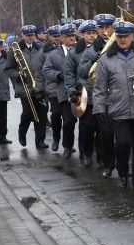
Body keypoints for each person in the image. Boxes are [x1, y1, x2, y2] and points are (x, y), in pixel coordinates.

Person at [92, 21, 134, 191]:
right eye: (120, 36)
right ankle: (123, 172)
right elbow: (100, 88)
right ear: (116, 36)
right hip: (118, 109)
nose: (123, 39)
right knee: (122, 144)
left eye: (126, 36)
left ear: (132, 36)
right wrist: (99, 108)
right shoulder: (106, 58)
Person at [78, 13, 118, 177]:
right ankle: (106, 163)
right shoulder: (90, 49)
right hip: (101, 96)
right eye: (100, 28)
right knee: (105, 133)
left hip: (119, 96)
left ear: (112, 28)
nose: (103, 30)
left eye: (107, 27)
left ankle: (124, 165)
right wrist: (92, 61)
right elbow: (81, 71)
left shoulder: (120, 44)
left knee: (123, 135)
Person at [6, 24, 47, 149]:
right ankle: (22, 132)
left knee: (42, 113)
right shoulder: (16, 49)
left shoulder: (40, 47)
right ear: (23, 36)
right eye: (28, 36)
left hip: (40, 85)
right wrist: (18, 75)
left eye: (32, 35)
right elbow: (8, 69)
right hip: (24, 86)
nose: (30, 38)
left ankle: (40, 141)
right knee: (28, 113)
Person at [65, 20, 98, 166]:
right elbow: (69, 73)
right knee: (87, 126)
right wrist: (72, 91)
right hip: (83, 93)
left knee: (102, 127)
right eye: (89, 33)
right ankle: (86, 153)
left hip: (100, 92)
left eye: (93, 33)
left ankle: (102, 156)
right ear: (82, 34)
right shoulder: (74, 53)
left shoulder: (101, 48)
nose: (92, 36)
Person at [44, 23, 78, 158]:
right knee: (66, 120)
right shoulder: (53, 54)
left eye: (73, 36)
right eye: (68, 36)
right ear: (62, 38)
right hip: (63, 92)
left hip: (81, 90)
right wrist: (58, 75)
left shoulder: (80, 50)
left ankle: (83, 148)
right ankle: (65, 144)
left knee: (84, 123)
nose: (71, 38)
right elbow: (46, 71)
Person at [41, 26, 64, 150]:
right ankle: (56, 138)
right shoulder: (44, 51)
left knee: (68, 118)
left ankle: (67, 143)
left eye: (59, 36)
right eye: (55, 36)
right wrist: (40, 88)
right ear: (50, 37)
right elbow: (40, 71)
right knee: (55, 114)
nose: (57, 38)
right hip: (52, 88)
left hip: (67, 88)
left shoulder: (68, 48)